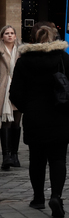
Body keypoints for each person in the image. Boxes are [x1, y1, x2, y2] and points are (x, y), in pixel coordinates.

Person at [9, 23, 69, 217]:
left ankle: (38, 198)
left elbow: (14, 93)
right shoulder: (63, 58)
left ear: (32, 39)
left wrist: (28, 107)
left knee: (37, 159)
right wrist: (66, 102)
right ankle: (56, 196)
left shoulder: (24, 61)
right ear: (53, 38)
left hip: (35, 118)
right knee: (58, 159)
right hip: (60, 116)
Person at [0, 25, 22, 170]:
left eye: (12, 33)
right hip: (3, 89)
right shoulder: (0, 51)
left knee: (17, 122)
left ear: (15, 36)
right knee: (6, 122)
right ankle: (6, 156)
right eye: (6, 33)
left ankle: (14, 155)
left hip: (19, 89)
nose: (9, 35)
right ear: (2, 37)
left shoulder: (21, 52)